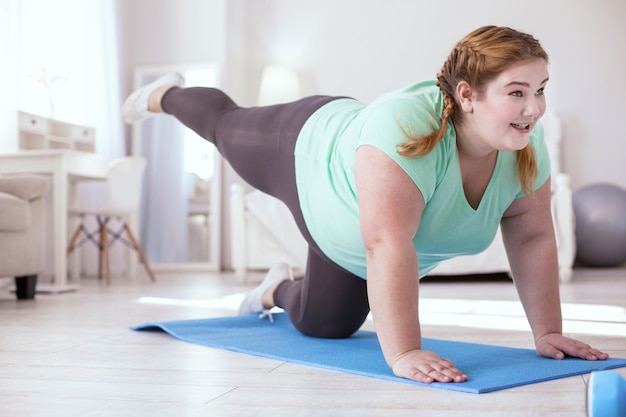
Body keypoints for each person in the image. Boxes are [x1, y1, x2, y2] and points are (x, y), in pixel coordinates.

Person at [122, 25, 609, 385]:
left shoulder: (526, 146)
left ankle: (273, 290)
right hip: (306, 149)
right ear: (467, 95)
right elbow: (386, 241)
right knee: (224, 126)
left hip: (341, 237)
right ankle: (167, 93)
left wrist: (548, 332)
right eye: (517, 93)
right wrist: (404, 353)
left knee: (324, 325)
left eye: (541, 90)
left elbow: (533, 235)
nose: (534, 109)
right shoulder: (403, 126)